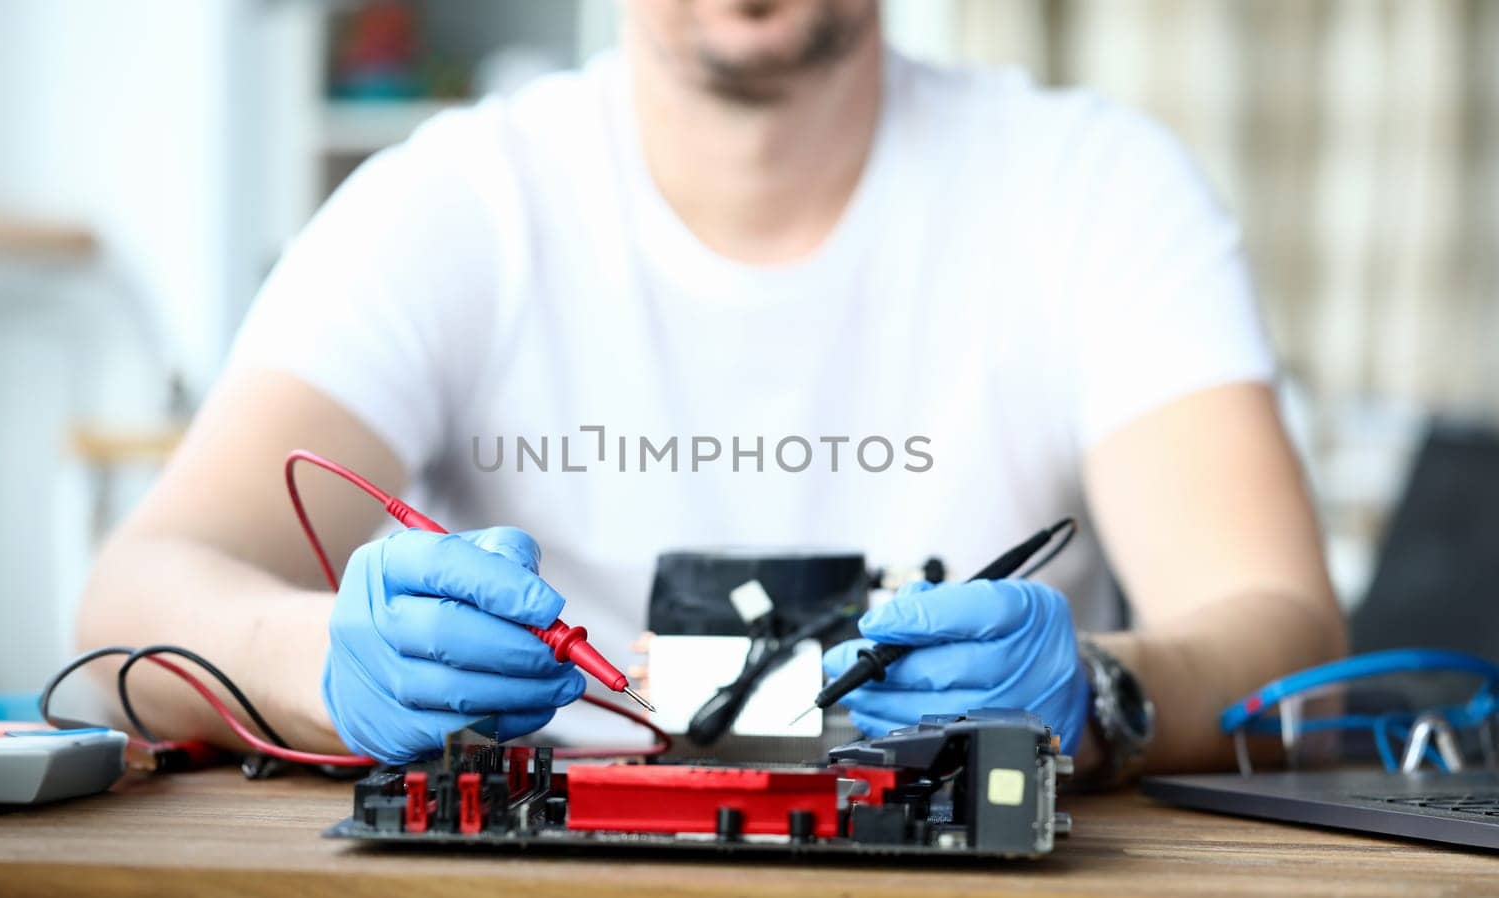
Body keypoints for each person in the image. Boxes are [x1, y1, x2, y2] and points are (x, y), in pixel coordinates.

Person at [78, 0, 1344, 778]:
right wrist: (323, 663)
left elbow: (1298, 659)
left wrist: (1103, 697)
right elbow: (125, 610)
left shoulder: (1099, 192)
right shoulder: (450, 202)